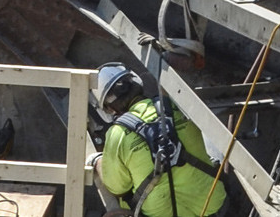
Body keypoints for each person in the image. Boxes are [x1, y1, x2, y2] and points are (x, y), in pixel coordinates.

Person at [93, 63, 226, 217]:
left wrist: (98, 162)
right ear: (136, 82)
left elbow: (117, 187)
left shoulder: (117, 134)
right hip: (212, 205)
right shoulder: (177, 107)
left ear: (108, 109)